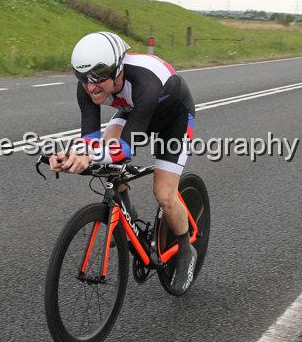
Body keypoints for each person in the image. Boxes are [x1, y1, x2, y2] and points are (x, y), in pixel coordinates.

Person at [50, 31, 198, 294]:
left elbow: (125, 148)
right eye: (83, 78)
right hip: (135, 111)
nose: (90, 87)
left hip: (173, 118)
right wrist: (70, 156)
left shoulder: (146, 80)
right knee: (104, 160)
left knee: (164, 193)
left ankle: (186, 249)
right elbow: (90, 141)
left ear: (118, 70)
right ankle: (127, 211)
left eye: (98, 78)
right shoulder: (87, 85)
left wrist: (89, 155)